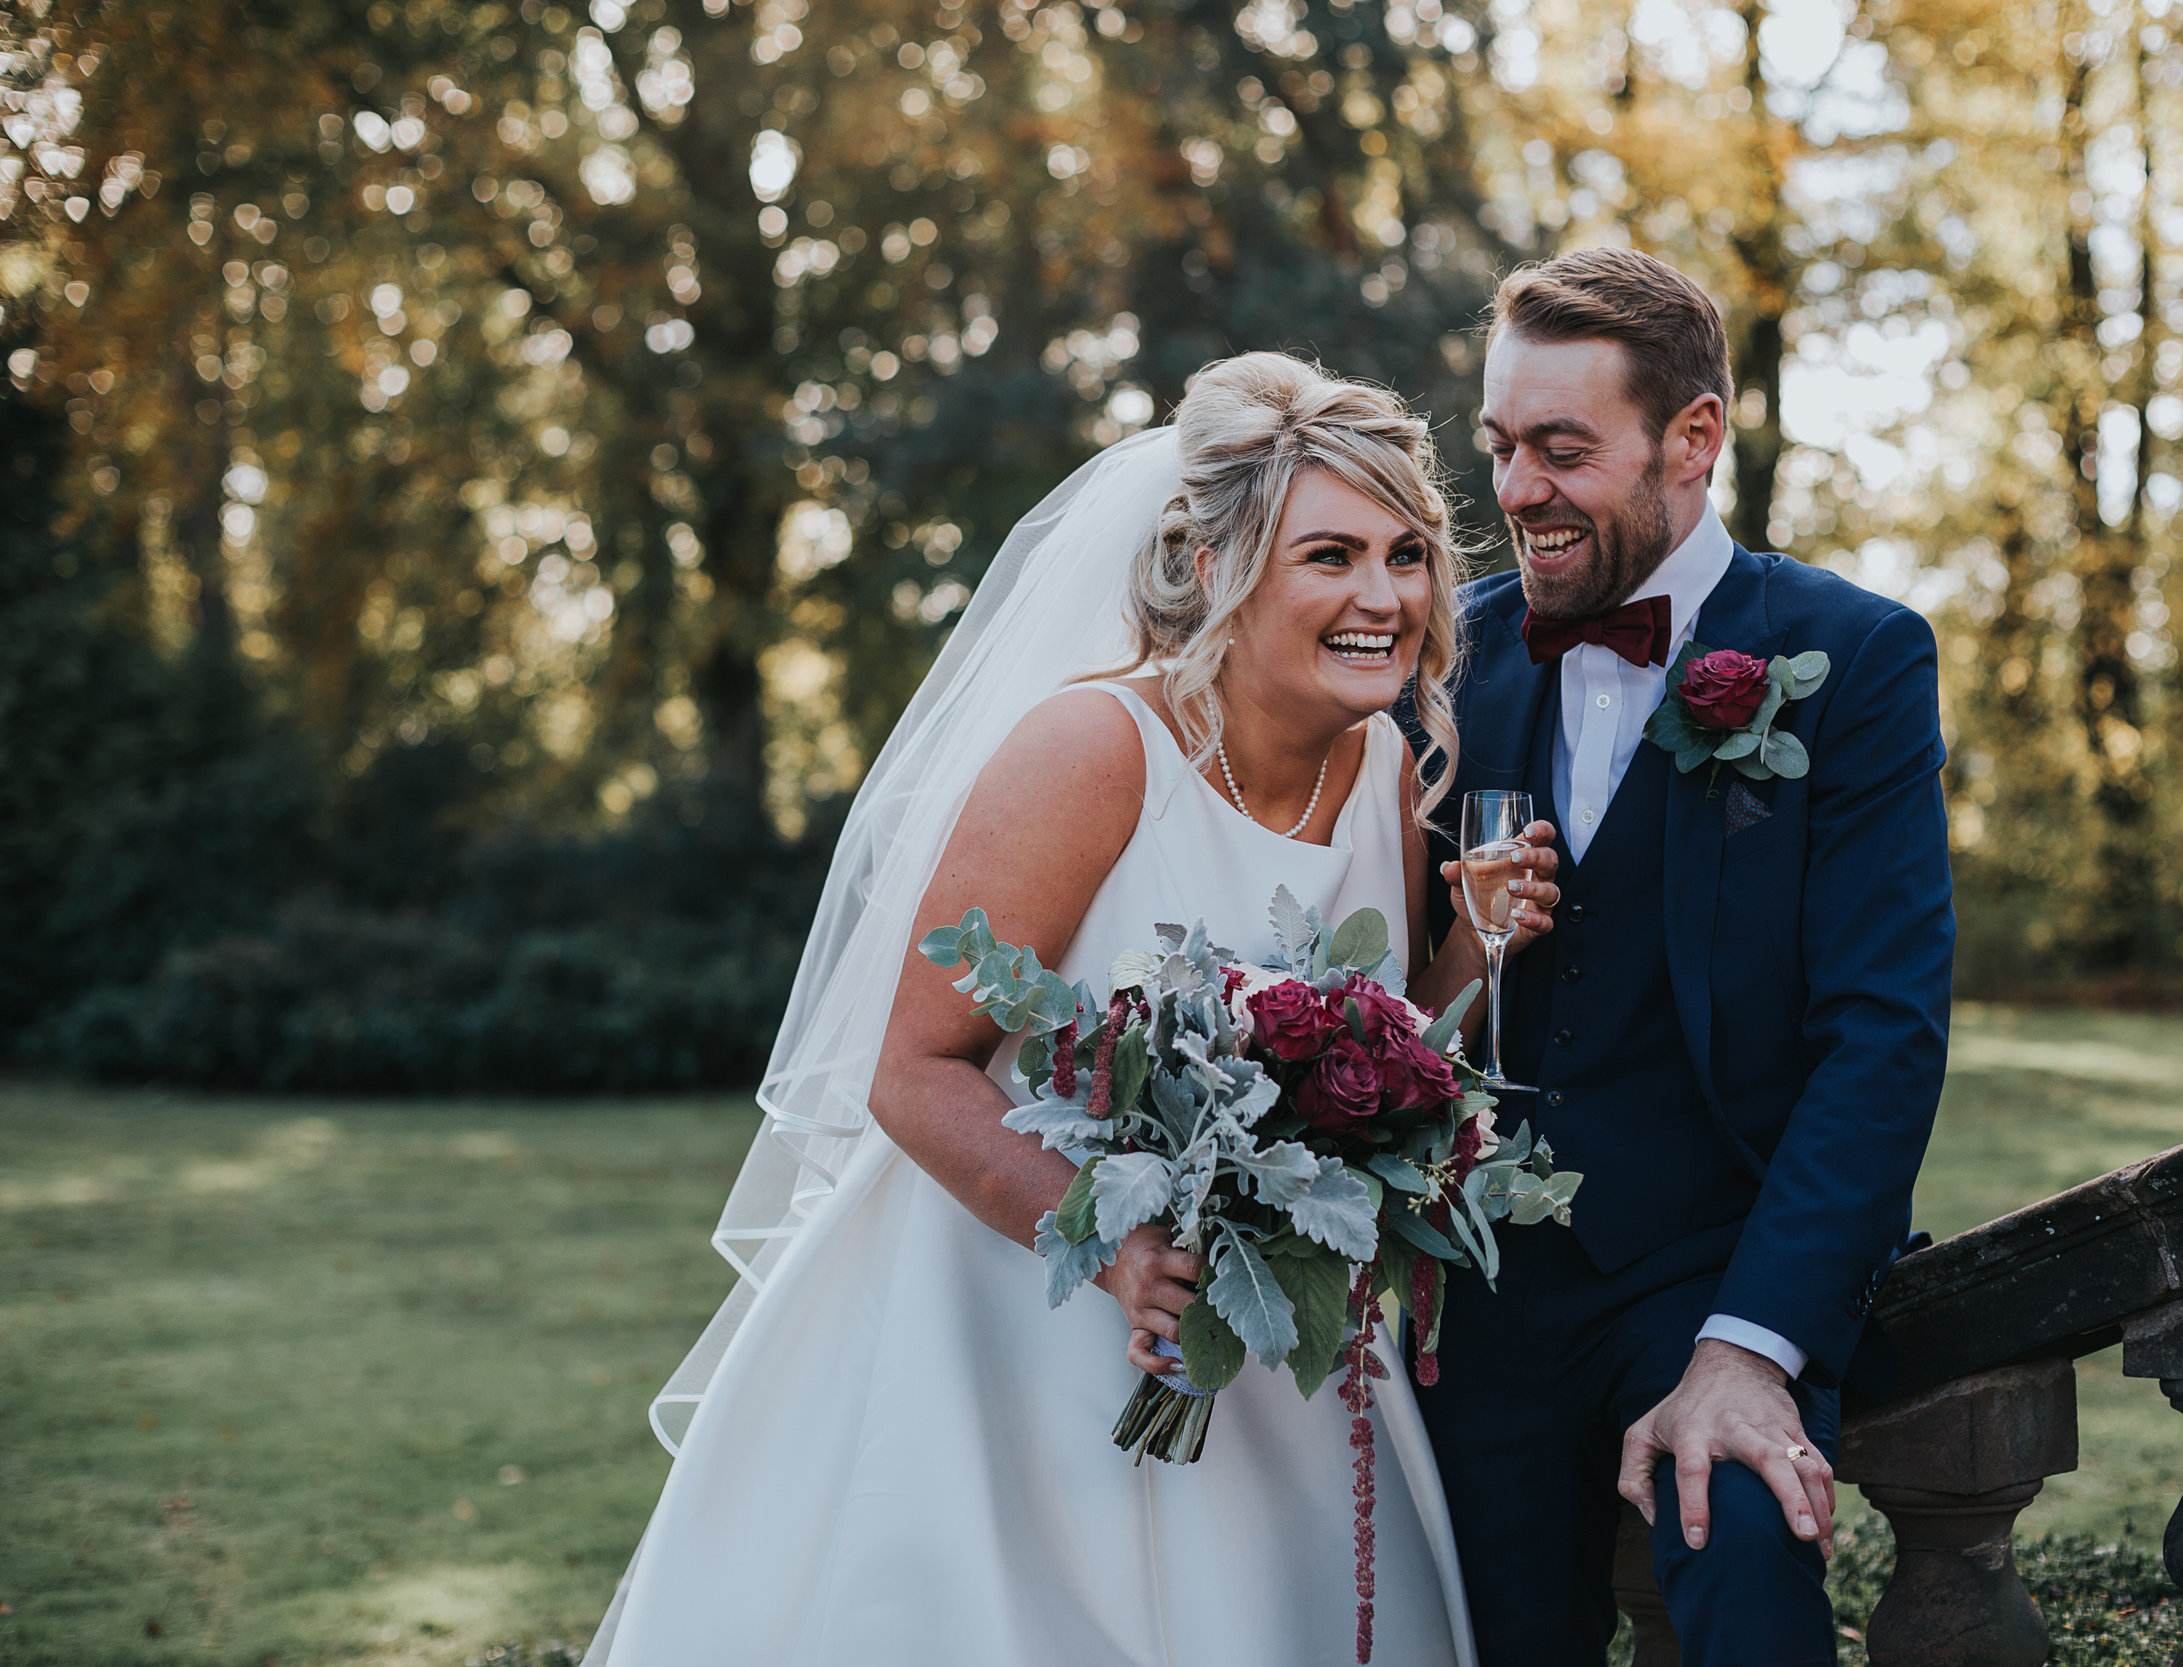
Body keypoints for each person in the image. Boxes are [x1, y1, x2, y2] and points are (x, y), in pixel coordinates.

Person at [584, 353, 1562, 1667]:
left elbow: (1358, 1056)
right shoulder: (1097, 748)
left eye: (1405, 555)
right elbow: (917, 1069)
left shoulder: (1382, 760)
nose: (1384, 598)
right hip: (1008, 1321)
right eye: (1329, 556)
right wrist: (1111, 1245)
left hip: (1254, 1329)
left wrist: (1472, 955)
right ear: (1221, 568)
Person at [1414, 248, 1953, 1667]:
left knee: (1744, 1555)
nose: (1516, 489)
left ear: (1694, 440)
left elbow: (1883, 1034)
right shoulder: (1451, 658)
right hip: (1483, 1285)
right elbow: (1389, 985)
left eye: (1563, 449)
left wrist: (1750, 1345)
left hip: (1722, 1261)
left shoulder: (1855, 657)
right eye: (1502, 447)